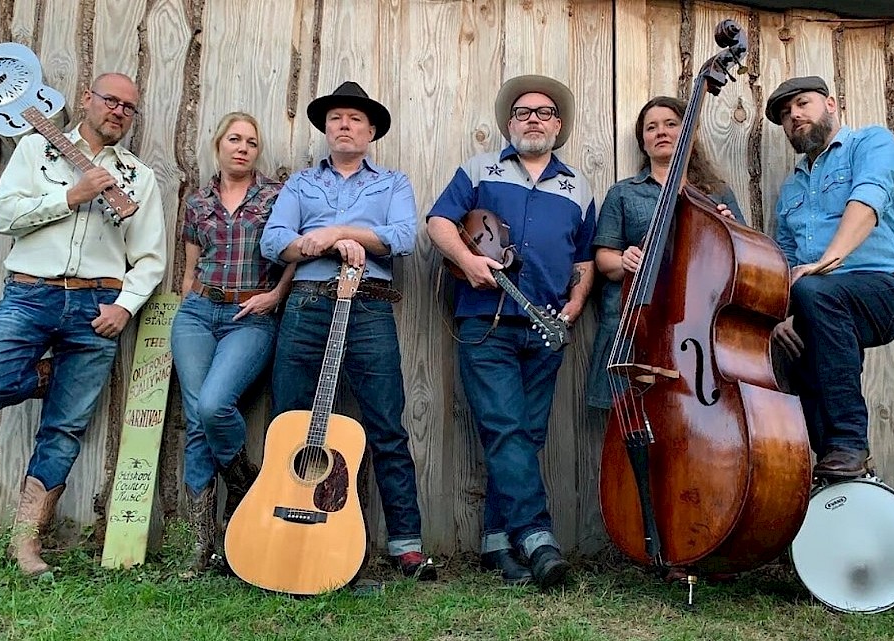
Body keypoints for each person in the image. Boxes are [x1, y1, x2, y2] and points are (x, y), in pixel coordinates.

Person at [0, 73, 167, 575]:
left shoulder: (138, 177)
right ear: (86, 100)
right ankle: (50, 375)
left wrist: (126, 306)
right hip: (32, 295)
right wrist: (70, 196)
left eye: (129, 107)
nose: (117, 111)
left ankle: (27, 542)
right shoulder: (36, 150)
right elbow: (3, 216)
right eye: (110, 100)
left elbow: (151, 257)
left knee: (65, 428)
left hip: (98, 308)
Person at [260, 81, 435, 580]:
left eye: (355, 119)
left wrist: (339, 233)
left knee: (386, 423)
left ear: (371, 131)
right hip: (307, 304)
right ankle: (276, 532)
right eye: (336, 118)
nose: (345, 125)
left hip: (369, 306)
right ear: (325, 128)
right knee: (287, 424)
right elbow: (275, 241)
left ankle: (406, 544)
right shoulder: (299, 184)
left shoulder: (393, 183)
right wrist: (313, 246)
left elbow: (401, 237)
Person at [426, 75, 595, 589]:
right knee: (505, 427)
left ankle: (499, 543)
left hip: (547, 326)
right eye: (523, 113)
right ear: (508, 123)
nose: (533, 120)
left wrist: (576, 301)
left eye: (543, 113)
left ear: (558, 125)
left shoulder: (578, 187)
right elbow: (438, 221)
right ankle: (538, 537)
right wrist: (466, 260)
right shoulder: (479, 169)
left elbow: (585, 257)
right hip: (486, 322)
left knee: (528, 435)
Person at [764, 76, 894, 478]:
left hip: (887, 288)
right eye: (785, 114)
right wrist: (780, 318)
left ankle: (849, 442)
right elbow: (785, 259)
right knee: (796, 351)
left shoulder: (871, 143)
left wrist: (830, 259)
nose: (794, 115)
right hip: (818, 298)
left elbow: (869, 197)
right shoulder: (792, 189)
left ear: (831, 104)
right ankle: (834, 469)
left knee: (816, 292)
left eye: (802, 103)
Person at [172, 112, 293, 574]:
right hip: (198, 313)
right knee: (197, 423)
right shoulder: (197, 201)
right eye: (234, 139)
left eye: (251, 142)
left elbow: (290, 255)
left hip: (251, 316)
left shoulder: (276, 197)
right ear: (218, 144)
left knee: (213, 406)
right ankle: (202, 545)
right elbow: (189, 266)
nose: (242, 148)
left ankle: (244, 488)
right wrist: (189, 304)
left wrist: (277, 295)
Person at [587, 96, 744, 411]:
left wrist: (731, 231)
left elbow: (745, 265)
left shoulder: (717, 194)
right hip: (637, 326)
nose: (661, 132)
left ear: (687, 134)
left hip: (699, 328)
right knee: (628, 423)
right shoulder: (624, 193)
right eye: (651, 128)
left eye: (671, 124)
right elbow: (604, 259)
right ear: (643, 142)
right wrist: (623, 260)